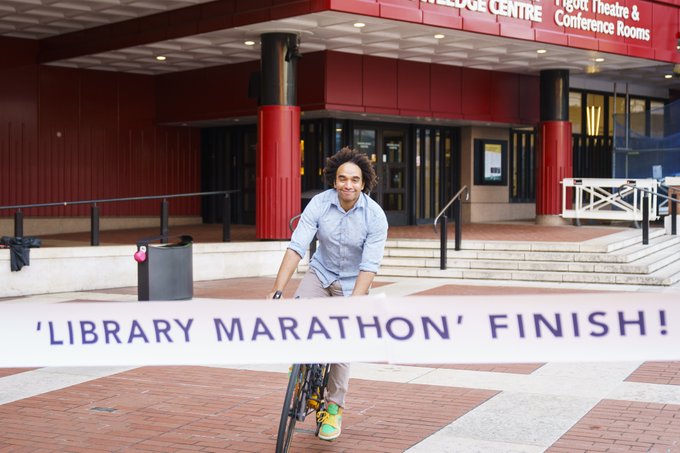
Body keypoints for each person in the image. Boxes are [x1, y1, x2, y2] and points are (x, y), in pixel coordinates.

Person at [268, 146, 389, 441]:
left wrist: (354, 305)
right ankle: (300, 374)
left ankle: (333, 409)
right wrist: (278, 289)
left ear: (363, 184)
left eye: (355, 180)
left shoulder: (375, 217)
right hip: (320, 275)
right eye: (342, 178)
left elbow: (369, 266)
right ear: (334, 181)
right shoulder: (319, 204)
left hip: (352, 283)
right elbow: (297, 246)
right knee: (299, 316)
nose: (348, 184)